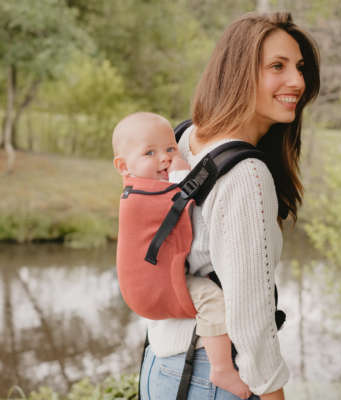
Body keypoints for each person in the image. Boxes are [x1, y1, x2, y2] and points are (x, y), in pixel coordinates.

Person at [139, 12, 320, 400]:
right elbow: (251, 318)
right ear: (239, 72)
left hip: (160, 365)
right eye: (278, 66)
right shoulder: (246, 175)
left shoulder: (183, 139)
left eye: (300, 68)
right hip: (215, 377)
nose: (298, 82)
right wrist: (273, 394)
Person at [112, 112, 253, 399]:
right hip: (156, 286)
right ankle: (221, 367)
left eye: (170, 149)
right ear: (124, 166)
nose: (164, 158)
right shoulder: (140, 198)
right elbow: (181, 201)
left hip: (155, 287)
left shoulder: (139, 190)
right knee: (212, 300)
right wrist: (180, 172)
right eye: (150, 153)